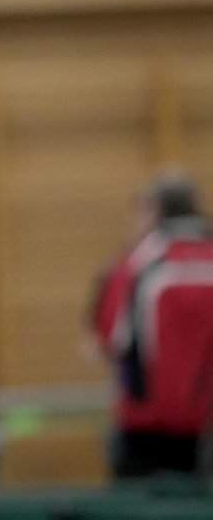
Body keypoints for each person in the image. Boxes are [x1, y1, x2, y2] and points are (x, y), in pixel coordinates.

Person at [89, 170, 213, 478]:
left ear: (155, 210)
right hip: (205, 426)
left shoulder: (137, 262)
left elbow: (110, 338)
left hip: (145, 426)